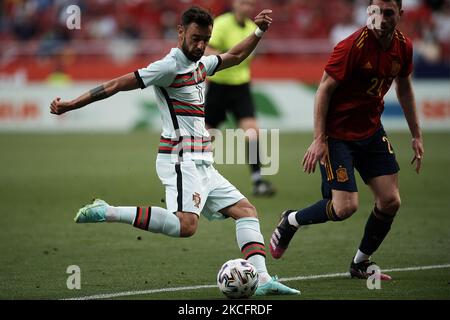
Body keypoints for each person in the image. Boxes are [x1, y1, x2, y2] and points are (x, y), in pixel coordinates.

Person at [50, 6, 299, 296]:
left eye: (206, 39)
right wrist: (71, 104)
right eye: (195, 38)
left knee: (246, 211)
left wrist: (258, 32)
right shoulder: (167, 67)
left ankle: (263, 279)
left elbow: (234, 56)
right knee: (186, 225)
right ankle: (108, 211)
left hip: (203, 161)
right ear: (180, 32)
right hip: (180, 159)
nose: (201, 45)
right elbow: (117, 84)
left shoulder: (200, 65)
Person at [269, 0, 424, 280]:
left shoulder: (404, 46)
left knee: (390, 201)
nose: (380, 19)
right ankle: (290, 221)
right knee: (344, 207)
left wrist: (416, 134)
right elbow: (323, 90)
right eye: (374, 12)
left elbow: (404, 88)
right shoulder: (352, 46)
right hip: (338, 136)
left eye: (388, 13)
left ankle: (360, 263)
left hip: (371, 131)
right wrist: (320, 139)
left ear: (399, 14)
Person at [204, 0, 276, 197]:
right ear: (235, 4)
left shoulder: (254, 28)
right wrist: (231, 56)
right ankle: (195, 176)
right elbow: (208, 50)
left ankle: (257, 181)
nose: (247, 7)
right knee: (206, 135)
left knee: (252, 132)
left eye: (250, 4)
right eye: (244, 3)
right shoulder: (221, 23)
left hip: (241, 87)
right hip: (219, 86)